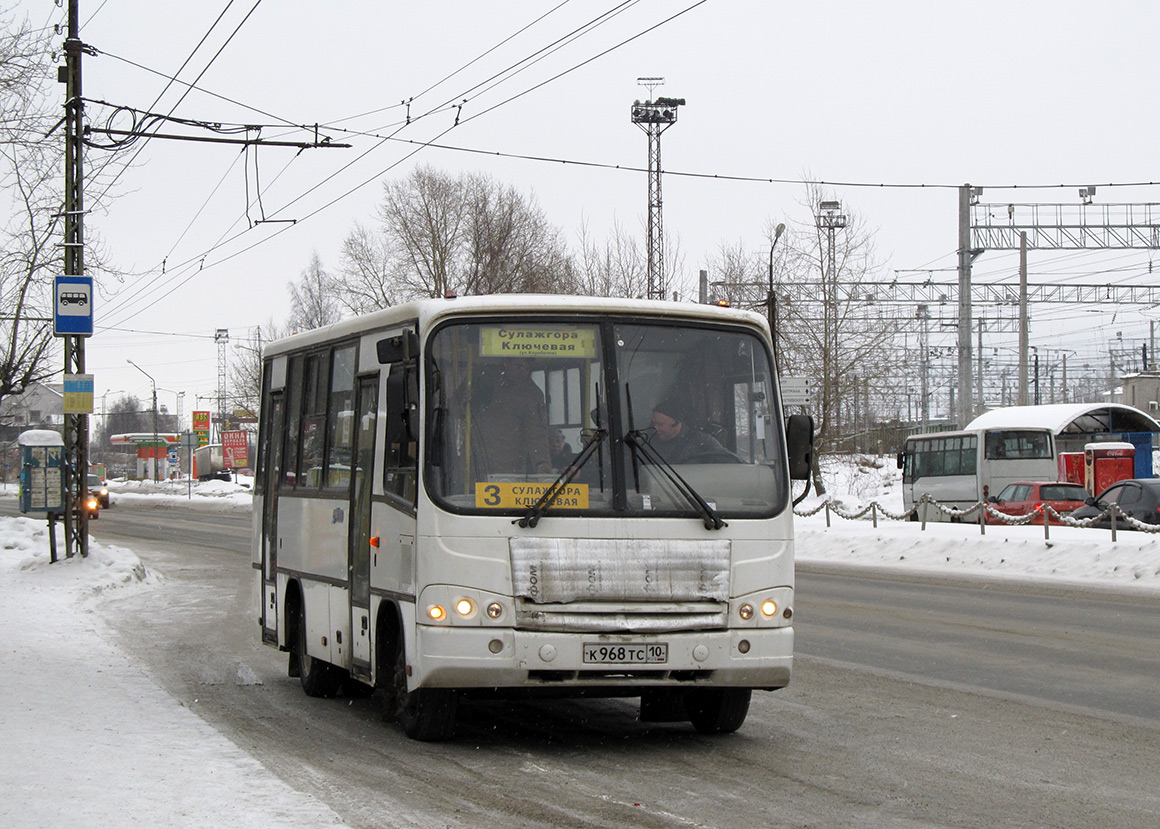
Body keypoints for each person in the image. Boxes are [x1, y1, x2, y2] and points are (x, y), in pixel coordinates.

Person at [472, 357, 552, 476]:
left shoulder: (531, 394)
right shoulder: (484, 380)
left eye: (527, 368)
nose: (523, 372)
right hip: (474, 462)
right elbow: (458, 411)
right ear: (505, 362)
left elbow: (537, 433)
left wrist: (541, 462)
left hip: (506, 467)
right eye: (518, 366)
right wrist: (464, 398)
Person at [649, 398, 729, 464]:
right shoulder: (648, 444)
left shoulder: (702, 441)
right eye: (654, 423)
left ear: (675, 422)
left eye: (660, 424)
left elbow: (729, 460)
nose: (655, 428)